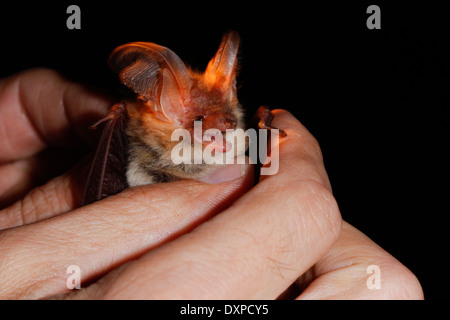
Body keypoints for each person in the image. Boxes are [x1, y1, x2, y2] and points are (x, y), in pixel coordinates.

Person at [0, 68, 423, 299]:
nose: (218, 130)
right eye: (204, 125)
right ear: (167, 114)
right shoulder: (140, 137)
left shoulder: (236, 142)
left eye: (225, 120)